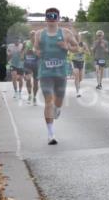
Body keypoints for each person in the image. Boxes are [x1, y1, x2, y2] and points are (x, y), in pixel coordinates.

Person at [34, 9, 79, 145]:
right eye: (49, 16)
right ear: (46, 18)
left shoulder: (66, 33)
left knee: (58, 102)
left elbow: (76, 47)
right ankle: (51, 134)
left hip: (60, 73)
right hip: (45, 72)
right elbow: (35, 48)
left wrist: (67, 46)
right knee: (49, 101)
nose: (52, 18)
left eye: (54, 16)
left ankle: (58, 109)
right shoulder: (39, 34)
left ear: (58, 18)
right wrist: (38, 52)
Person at [22, 31, 39, 105]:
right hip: (27, 64)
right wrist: (26, 52)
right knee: (28, 80)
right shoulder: (26, 43)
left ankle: (34, 97)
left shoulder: (39, 44)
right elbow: (22, 54)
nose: (33, 37)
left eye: (34, 36)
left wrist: (36, 53)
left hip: (36, 65)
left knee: (36, 83)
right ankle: (29, 95)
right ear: (30, 36)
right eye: (32, 36)